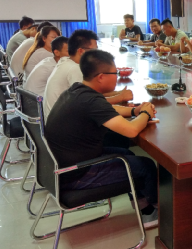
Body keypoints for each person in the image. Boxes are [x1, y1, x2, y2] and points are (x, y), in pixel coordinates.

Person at [45, 49, 159, 228]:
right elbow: (131, 131)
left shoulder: (77, 91)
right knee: (147, 166)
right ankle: (153, 214)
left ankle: (143, 207)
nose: (117, 77)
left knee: (127, 154)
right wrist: (145, 113)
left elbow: (107, 110)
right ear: (101, 77)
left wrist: (134, 111)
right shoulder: (90, 100)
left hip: (63, 167)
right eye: (115, 73)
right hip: (76, 174)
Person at [43, 29, 132, 120]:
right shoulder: (74, 69)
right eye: (94, 50)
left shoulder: (66, 61)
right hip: (64, 123)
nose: (97, 54)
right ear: (81, 51)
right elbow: (92, 102)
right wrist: (120, 97)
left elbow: (93, 94)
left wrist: (118, 93)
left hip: (59, 119)